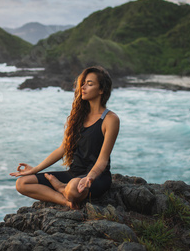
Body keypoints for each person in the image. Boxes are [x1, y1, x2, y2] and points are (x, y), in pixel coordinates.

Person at [10, 66, 119, 209]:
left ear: (101, 90)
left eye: (90, 84)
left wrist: (89, 177)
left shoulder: (110, 119)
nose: (83, 87)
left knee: (74, 187)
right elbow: (62, 149)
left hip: (97, 178)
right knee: (22, 183)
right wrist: (35, 169)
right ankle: (66, 201)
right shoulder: (78, 117)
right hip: (73, 174)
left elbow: (102, 160)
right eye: (83, 83)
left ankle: (62, 188)